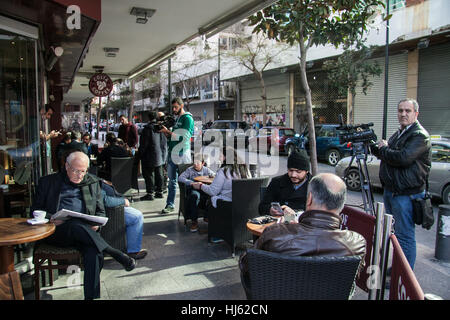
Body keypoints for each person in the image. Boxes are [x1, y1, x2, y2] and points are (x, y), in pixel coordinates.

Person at [239, 173, 367, 298]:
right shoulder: (356, 243)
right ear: (341, 204)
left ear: (309, 198)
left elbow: (247, 263)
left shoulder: (275, 233)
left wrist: (286, 228)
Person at [31, 151, 136, 300]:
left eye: (83, 171)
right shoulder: (48, 182)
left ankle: (91, 297)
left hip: (86, 235)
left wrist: (97, 224)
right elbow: (35, 211)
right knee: (73, 223)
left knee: (94, 252)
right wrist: (51, 218)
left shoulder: (92, 182)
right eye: (75, 170)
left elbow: (100, 211)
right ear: (66, 166)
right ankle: (114, 252)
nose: (80, 175)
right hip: (57, 232)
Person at [371, 98, 431, 269]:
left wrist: (384, 149)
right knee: (396, 236)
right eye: (400, 110)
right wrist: (379, 148)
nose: (403, 114)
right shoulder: (400, 133)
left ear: (416, 113)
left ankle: (404, 276)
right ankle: (397, 269)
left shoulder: (419, 135)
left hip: (406, 195)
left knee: (405, 237)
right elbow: (388, 154)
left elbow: (402, 158)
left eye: (408, 111)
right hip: (392, 192)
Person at [159, 97, 194, 214]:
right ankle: (170, 205)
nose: (174, 109)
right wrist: (165, 133)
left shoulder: (187, 119)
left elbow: (184, 137)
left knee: (186, 182)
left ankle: (189, 206)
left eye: (176, 107)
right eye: (173, 107)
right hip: (172, 153)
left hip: (182, 153)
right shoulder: (177, 119)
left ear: (181, 106)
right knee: (172, 181)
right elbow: (173, 137)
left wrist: (168, 132)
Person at [99, 179, 148, 260]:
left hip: (112, 206)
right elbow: (105, 200)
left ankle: (129, 245)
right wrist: (122, 201)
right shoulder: (85, 179)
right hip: (110, 211)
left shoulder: (88, 177)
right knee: (136, 217)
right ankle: (133, 251)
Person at [259, 149, 311, 216]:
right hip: (279, 222)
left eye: (298, 172)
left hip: (303, 223)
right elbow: (262, 207)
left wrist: (295, 214)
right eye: (290, 170)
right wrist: (270, 210)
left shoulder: (315, 185)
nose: (293, 175)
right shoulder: (277, 182)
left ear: (306, 171)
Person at [178, 155, 216, 232]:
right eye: (194, 162)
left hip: (204, 189)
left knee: (213, 196)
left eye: (197, 163)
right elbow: (180, 178)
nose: (195, 164)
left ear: (202, 163)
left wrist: (212, 175)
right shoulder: (190, 170)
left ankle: (207, 216)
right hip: (194, 189)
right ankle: (194, 221)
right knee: (194, 196)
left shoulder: (206, 170)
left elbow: (214, 175)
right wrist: (191, 183)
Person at [138, 111, 168, 201]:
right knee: (159, 174)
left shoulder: (147, 129)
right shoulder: (161, 128)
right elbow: (164, 143)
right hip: (160, 156)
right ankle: (159, 192)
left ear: (148, 118)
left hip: (149, 156)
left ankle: (150, 193)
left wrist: (140, 154)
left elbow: (144, 144)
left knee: (149, 175)